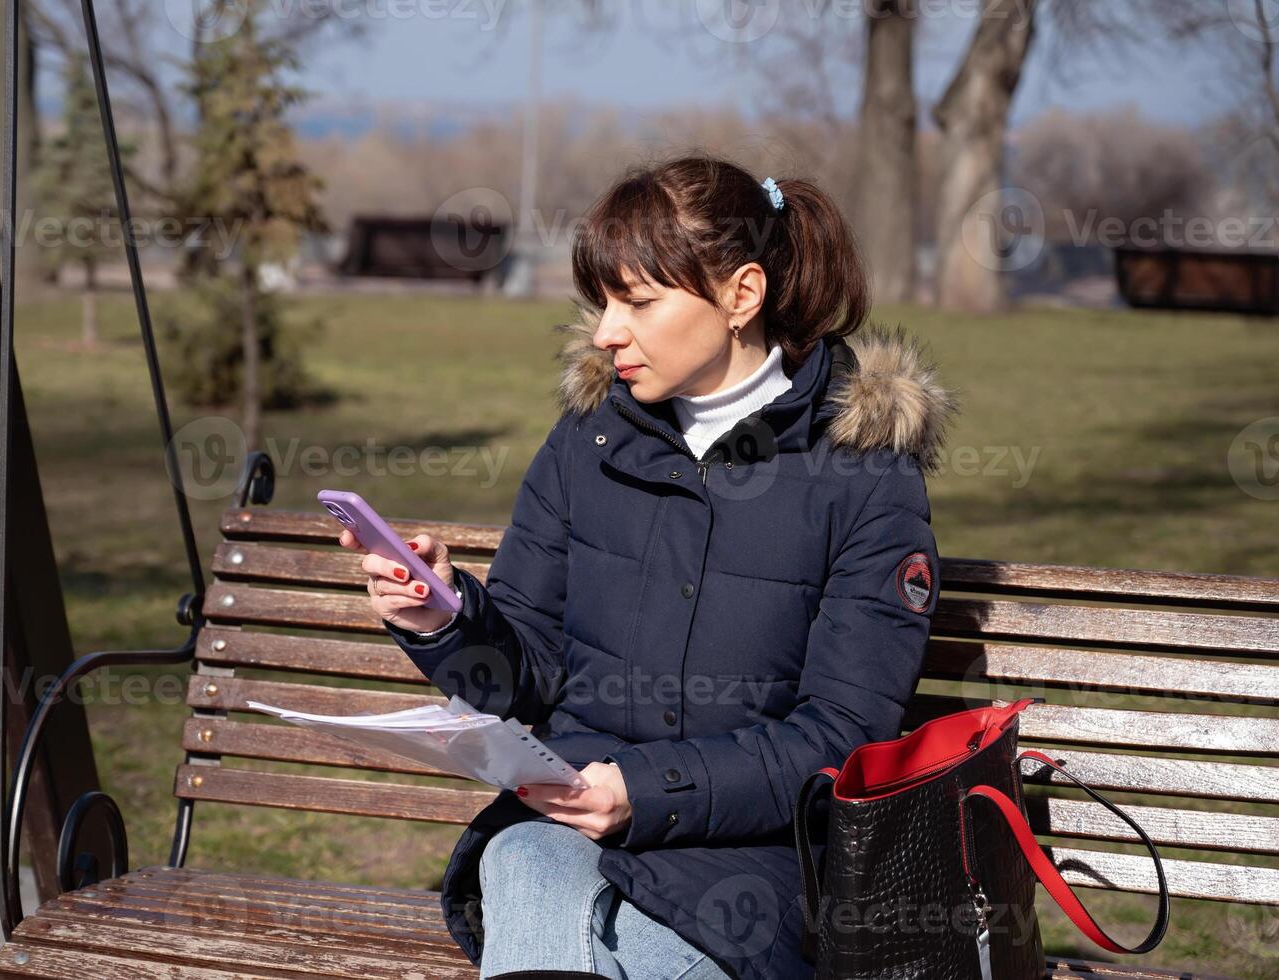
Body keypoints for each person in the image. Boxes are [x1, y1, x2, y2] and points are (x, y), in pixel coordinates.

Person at [338, 154, 958, 980]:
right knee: (523, 865)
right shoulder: (587, 441)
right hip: (558, 831)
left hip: (751, 863)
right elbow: (525, 673)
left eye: (636, 300)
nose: (604, 331)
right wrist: (444, 621)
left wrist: (643, 789)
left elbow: (840, 739)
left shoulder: (864, 476)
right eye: (602, 300)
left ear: (742, 295)